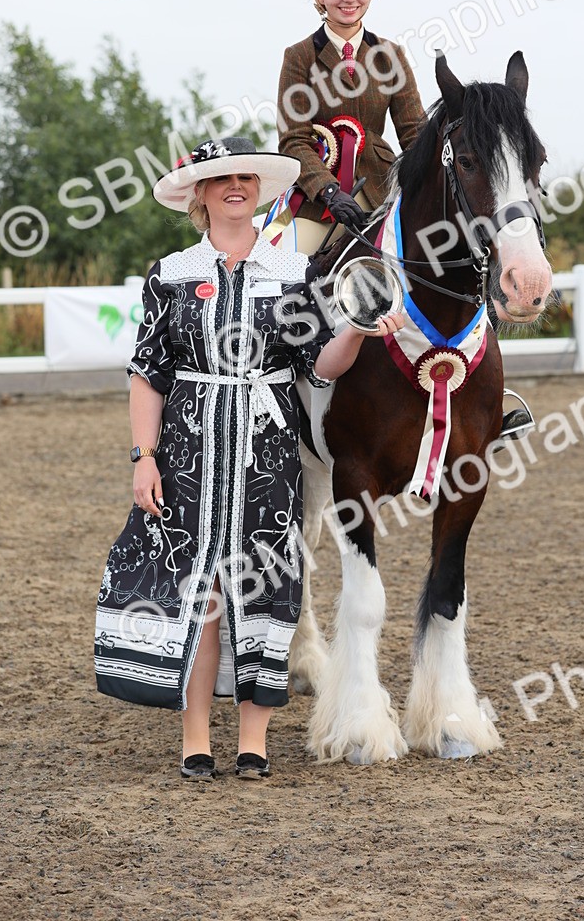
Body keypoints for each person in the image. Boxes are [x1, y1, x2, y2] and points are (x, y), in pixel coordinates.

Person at [94, 136, 404, 781]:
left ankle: (254, 743)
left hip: (266, 454)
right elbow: (148, 374)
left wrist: (355, 326)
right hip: (189, 452)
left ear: (260, 191)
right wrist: (142, 457)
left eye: (246, 178)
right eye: (221, 179)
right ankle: (196, 739)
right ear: (200, 196)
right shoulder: (172, 274)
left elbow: (318, 365)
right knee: (200, 592)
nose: (235, 186)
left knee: (264, 590)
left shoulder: (294, 276)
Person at [270, 0, 425, 253]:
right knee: (281, 258)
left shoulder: (391, 56)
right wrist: (328, 191)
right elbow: (293, 140)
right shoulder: (299, 57)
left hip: (383, 192)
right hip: (319, 202)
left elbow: (415, 136)